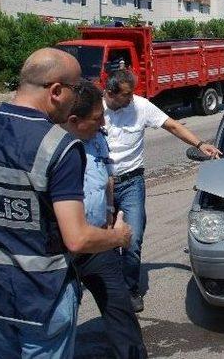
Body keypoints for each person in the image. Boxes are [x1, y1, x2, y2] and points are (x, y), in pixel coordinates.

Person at [0, 48, 132, 359]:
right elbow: (78, 238)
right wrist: (118, 237)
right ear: (56, 91)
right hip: (41, 298)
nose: (78, 96)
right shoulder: (59, 146)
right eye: (76, 88)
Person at [103, 69, 221, 312]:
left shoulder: (141, 106)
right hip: (100, 184)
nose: (131, 99)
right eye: (126, 95)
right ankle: (106, 289)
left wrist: (200, 144)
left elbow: (173, 126)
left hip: (132, 182)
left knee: (132, 238)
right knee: (102, 240)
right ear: (110, 92)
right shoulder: (94, 109)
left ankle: (130, 290)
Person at [63, 81, 147, 359]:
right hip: (61, 248)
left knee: (120, 309)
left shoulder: (97, 137)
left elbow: (107, 176)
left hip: (99, 240)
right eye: (98, 118)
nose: (104, 124)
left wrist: (110, 211)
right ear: (74, 121)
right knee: (59, 318)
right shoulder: (54, 148)